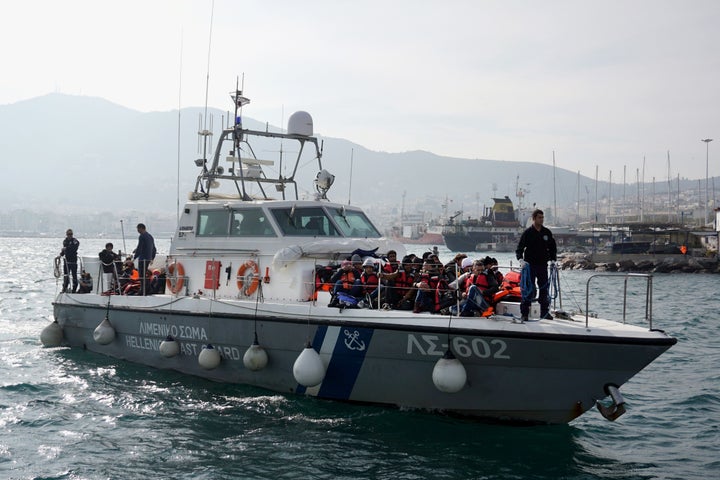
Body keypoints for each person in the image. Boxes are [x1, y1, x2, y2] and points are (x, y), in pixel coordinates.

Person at [515, 209, 557, 321]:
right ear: (534, 218)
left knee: (544, 289)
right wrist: (520, 260)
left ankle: (544, 312)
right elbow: (519, 248)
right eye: (539, 217)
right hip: (530, 266)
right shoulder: (527, 233)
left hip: (543, 265)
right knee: (529, 289)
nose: (541, 220)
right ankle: (524, 313)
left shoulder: (547, 232)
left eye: (542, 218)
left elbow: (552, 247)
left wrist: (553, 259)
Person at [133, 223, 156, 294]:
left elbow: (140, 247)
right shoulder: (150, 236)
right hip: (148, 258)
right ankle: (148, 289)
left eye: (138, 229)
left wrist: (134, 257)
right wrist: (152, 257)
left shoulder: (142, 236)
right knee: (144, 274)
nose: (137, 230)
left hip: (143, 258)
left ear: (141, 228)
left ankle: (143, 290)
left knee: (141, 275)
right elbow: (154, 248)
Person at [60, 228, 80, 293]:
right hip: (67, 261)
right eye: (68, 234)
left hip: (73, 261)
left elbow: (74, 248)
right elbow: (64, 250)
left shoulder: (75, 241)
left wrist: (67, 248)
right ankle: (65, 287)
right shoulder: (65, 241)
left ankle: (74, 289)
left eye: (71, 234)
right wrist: (61, 254)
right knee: (66, 275)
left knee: (74, 275)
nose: (70, 235)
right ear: (66, 234)